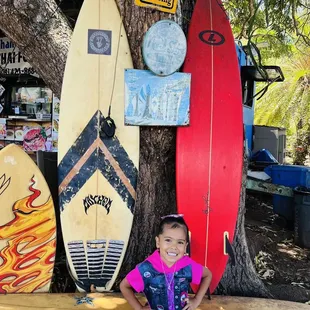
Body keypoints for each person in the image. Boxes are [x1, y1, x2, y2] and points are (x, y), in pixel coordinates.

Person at [120, 214, 212, 310]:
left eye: (180, 242)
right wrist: (139, 308)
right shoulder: (147, 269)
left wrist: (196, 300)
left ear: (185, 246)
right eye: (168, 240)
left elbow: (207, 275)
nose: (174, 247)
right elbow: (124, 286)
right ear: (158, 242)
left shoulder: (187, 266)